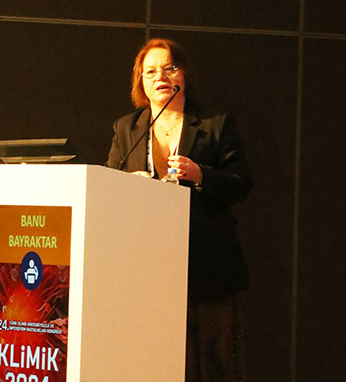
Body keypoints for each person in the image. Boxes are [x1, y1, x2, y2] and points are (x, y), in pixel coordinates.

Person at [105, 38, 253, 381]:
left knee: (215, 364)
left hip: (207, 266)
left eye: (169, 68)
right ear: (140, 82)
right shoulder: (127, 128)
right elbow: (109, 182)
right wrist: (129, 185)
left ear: (184, 75)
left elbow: (241, 184)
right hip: (145, 267)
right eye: (150, 71)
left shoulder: (215, 124)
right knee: (154, 360)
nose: (160, 77)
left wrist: (201, 174)